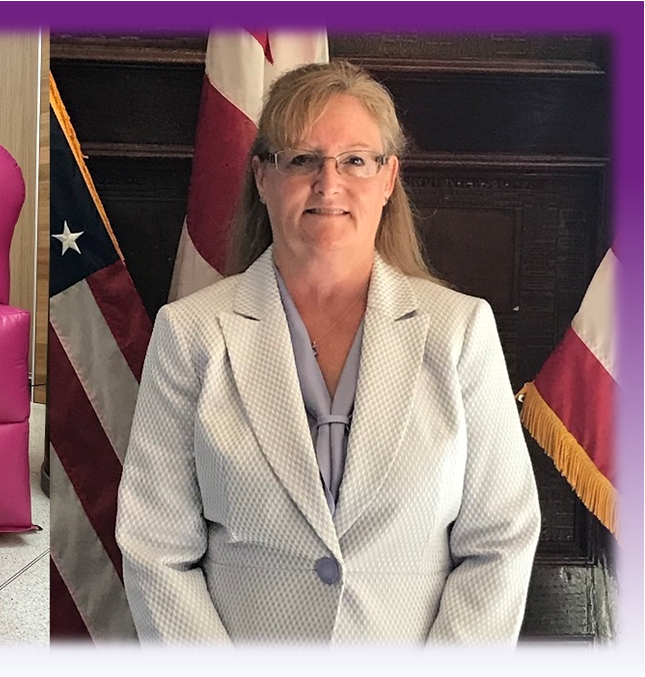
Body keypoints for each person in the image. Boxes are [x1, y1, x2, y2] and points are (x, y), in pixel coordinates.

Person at [115, 61, 540, 644]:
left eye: (355, 161)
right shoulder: (191, 335)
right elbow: (154, 546)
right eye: (302, 159)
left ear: (389, 178)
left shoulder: (459, 331)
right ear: (262, 177)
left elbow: (501, 538)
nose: (328, 183)